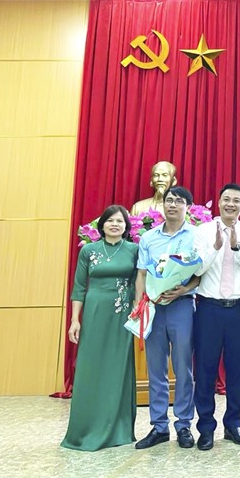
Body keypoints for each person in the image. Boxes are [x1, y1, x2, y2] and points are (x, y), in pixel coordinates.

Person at [61, 205, 139, 451]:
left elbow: (140, 282)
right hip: (94, 314)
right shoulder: (89, 250)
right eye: (110, 220)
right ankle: (84, 428)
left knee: (117, 368)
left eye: (120, 221)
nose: (115, 224)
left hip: (121, 314)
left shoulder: (134, 250)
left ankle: (117, 429)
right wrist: (75, 320)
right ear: (102, 224)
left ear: (126, 226)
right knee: (90, 368)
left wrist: (138, 310)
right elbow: (78, 287)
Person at [192, 183, 240, 450]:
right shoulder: (203, 230)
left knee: (236, 370)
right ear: (219, 202)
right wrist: (215, 247)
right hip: (208, 309)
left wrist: (236, 246)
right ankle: (206, 428)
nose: (231, 204)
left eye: (236, 200)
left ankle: (234, 424)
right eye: (226, 199)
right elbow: (197, 268)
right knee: (205, 369)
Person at [134, 186, 200, 449]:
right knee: (156, 367)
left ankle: (184, 424)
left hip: (181, 305)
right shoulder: (149, 237)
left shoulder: (196, 236)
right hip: (154, 306)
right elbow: (141, 273)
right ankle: (159, 426)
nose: (172, 205)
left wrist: (183, 289)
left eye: (179, 201)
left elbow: (201, 272)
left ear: (188, 207)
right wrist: (140, 304)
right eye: (169, 200)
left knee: (183, 367)